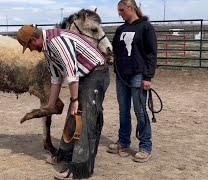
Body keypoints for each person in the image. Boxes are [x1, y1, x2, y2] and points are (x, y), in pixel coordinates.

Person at [16, 25, 110, 179]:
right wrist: (50, 105)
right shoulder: (47, 48)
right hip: (84, 76)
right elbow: (56, 78)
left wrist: (74, 100)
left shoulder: (57, 41)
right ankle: (64, 157)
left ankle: (79, 170)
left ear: (35, 39)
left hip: (95, 74)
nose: (31, 50)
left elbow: (71, 72)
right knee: (73, 117)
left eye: (29, 46)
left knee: (83, 119)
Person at [107, 0, 157, 163]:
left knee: (140, 111)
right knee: (123, 110)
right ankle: (123, 141)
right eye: (118, 11)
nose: (119, 13)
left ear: (131, 8)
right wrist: (111, 57)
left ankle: (145, 146)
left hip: (138, 75)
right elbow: (115, 50)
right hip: (122, 75)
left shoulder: (145, 27)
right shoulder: (120, 29)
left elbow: (151, 53)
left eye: (121, 10)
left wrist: (148, 77)